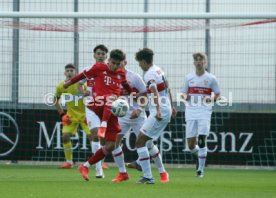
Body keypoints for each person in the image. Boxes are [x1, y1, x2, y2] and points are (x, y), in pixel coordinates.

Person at [63, 49, 133, 181]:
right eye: (113, 63)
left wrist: (133, 93)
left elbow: (126, 86)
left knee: (111, 145)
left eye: (118, 64)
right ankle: (103, 126)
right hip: (96, 105)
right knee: (110, 100)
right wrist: (68, 83)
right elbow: (81, 76)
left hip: (111, 110)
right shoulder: (99, 68)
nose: (115, 66)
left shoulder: (120, 73)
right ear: (109, 60)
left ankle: (86, 166)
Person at [133, 48, 177, 184]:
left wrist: (158, 110)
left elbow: (154, 91)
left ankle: (147, 176)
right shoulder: (159, 70)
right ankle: (151, 169)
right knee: (146, 142)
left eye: (139, 62)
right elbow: (167, 87)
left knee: (140, 141)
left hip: (160, 111)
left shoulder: (149, 74)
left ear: (144, 61)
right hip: (165, 108)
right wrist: (172, 105)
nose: (139, 65)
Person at [181, 52, 220, 178]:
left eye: (201, 59)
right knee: (191, 144)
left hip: (204, 111)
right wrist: (185, 97)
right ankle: (199, 156)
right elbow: (183, 93)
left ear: (205, 62)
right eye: (196, 60)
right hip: (191, 111)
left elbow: (218, 94)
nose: (199, 62)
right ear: (194, 63)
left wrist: (211, 99)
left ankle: (200, 171)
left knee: (202, 139)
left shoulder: (211, 78)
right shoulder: (188, 78)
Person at [111, 59, 147, 183]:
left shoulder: (134, 77)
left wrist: (140, 109)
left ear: (125, 62)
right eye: (115, 62)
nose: (118, 64)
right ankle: (122, 173)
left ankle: (152, 172)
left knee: (146, 143)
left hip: (137, 115)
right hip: (121, 116)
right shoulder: (111, 78)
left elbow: (145, 94)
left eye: (120, 62)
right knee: (114, 142)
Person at [53, 63, 92, 169]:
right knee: (65, 136)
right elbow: (55, 100)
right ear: (65, 73)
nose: (70, 72)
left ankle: (100, 162)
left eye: (72, 70)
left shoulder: (82, 84)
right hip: (71, 116)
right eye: (68, 70)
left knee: (93, 137)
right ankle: (69, 162)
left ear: (76, 72)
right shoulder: (61, 86)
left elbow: (91, 99)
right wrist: (62, 114)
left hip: (85, 115)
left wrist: (89, 113)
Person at [79, 44, 109, 178]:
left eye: (103, 53)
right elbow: (79, 83)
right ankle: (98, 169)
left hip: (106, 106)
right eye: (98, 53)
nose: (101, 56)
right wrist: (83, 92)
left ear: (106, 56)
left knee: (105, 139)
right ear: (94, 55)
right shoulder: (88, 69)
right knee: (95, 135)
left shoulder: (110, 70)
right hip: (91, 105)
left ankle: (101, 165)